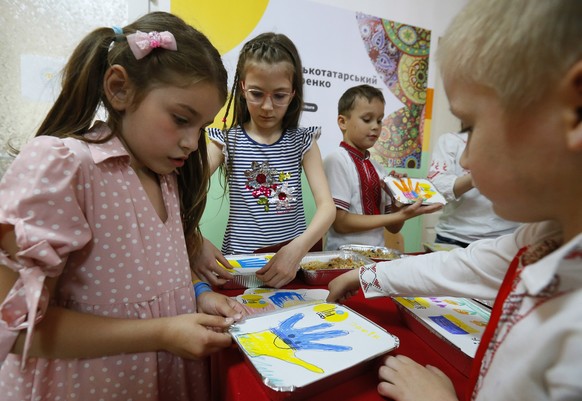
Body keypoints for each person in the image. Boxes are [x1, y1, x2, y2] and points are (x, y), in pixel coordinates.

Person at [327, 0, 582, 400]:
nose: (464, 158)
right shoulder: (545, 237)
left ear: (576, 111)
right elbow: (468, 263)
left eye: (472, 125)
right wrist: (365, 275)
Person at [0, 12, 247, 401]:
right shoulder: (65, 167)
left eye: (201, 127)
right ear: (119, 88)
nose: (192, 143)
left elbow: (149, 286)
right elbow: (16, 329)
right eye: (181, 119)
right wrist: (163, 333)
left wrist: (197, 295)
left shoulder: (166, 176)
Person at [199, 32, 335, 289]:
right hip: (239, 266)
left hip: (289, 265)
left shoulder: (303, 141)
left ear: (294, 93)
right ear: (242, 88)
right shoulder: (225, 141)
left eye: (280, 96)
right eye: (257, 94)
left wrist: (297, 249)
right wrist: (195, 239)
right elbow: (180, 193)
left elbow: (327, 207)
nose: (267, 107)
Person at [323, 84, 443, 251]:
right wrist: (399, 215)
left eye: (379, 120)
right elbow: (341, 224)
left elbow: (393, 228)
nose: (375, 126)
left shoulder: (379, 168)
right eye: (367, 119)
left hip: (377, 255)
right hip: (343, 256)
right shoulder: (337, 159)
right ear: (343, 122)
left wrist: (397, 204)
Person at [428, 129, 519, 248]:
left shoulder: (523, 143)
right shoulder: (451, 140)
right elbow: (436, 189)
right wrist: (478, 174)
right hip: (454, 236)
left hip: (507, 238)